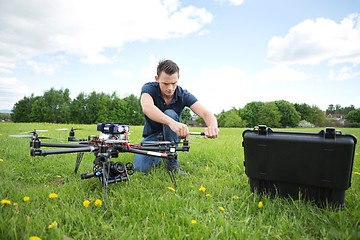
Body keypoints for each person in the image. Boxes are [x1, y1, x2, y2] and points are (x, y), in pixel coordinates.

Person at [133, 59, 219, 174]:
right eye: (165, 83)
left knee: (170, 113)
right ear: (157, 79)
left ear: (178, 78)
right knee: (139, 169)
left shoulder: (183, 94)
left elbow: (206, 113)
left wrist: (212, 126)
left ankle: (172, 162)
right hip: (153, 136)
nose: (170, 88)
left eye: (174, 83)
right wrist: (171, 123)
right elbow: (147, 107)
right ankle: (157, 152)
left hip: (172, 137)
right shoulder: (149, 88)